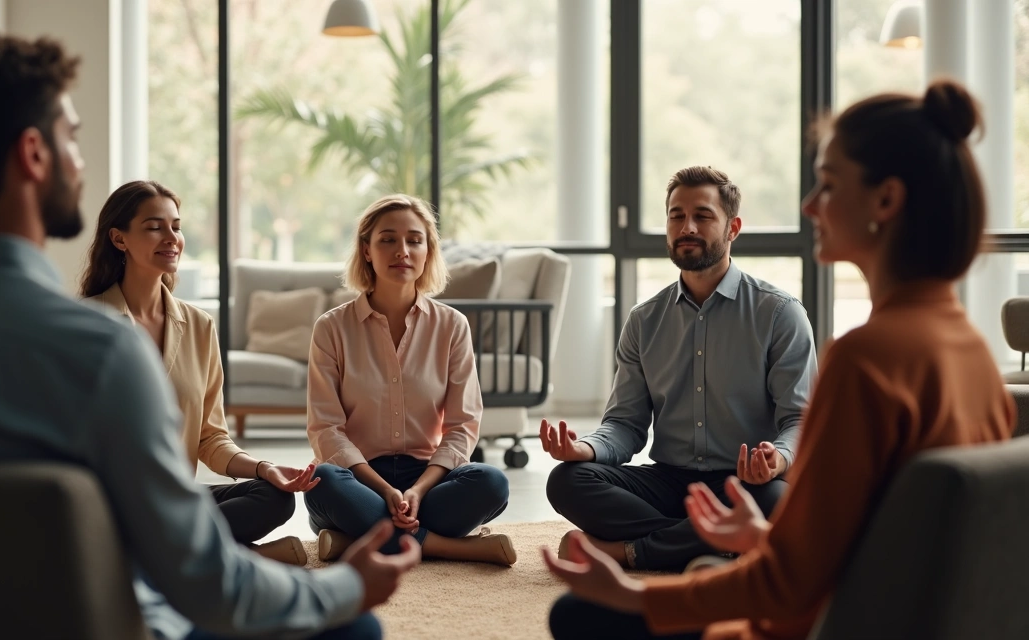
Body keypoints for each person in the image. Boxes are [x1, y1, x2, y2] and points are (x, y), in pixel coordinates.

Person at [0, 35, 418, 640]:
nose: (79, 161)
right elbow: (208, 586)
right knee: (354, 628)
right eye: (72, 138)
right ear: (34, 154)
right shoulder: (101, 348)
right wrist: (344, 586)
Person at [543, 79, 1016, 640]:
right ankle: (693, 539)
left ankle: (643, 548)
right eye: (676, 215)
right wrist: (762, 539)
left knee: (575, 615)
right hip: (888, 608)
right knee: (580, 487)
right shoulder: (973, 351)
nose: (809, 205)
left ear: (885, 201)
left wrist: (638, 594)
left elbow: (791, 582)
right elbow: (861, 542)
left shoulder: (865, 356)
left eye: (829, 183)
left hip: (814, 622)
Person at [543, 166, 818, 572]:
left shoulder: (779, 313)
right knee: (567, 481)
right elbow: (625, 425)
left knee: (776, 501)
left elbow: (799, 419)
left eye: (703, 216)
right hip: (669, 481)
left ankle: (631, 551)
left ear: (733, 227)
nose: (686, 226)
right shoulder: (644, 320)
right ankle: (719, 544)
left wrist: (776, 458)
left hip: (743, 485)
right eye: (676, 216)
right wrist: (584, 449)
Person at [82, 180, 312, 566]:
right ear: (119, 239)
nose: (171, 237)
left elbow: (209, 438)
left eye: (176, 226)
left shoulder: (200, 325)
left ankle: (172, 553)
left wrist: (263, 467)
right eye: (155, 227)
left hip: (176, 501)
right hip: (114, 501)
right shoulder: (86, 322)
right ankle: (238, 559)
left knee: (272, 497)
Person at [302, 194, 516, 566]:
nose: (402, 250)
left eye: (414, 240)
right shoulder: (332, 327)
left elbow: (463, 424)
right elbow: (326, 429)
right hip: (358, 481)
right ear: (367, 249)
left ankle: (354, 542)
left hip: (427, 477)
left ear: (427, 251)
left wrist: (417, 490)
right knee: (325, 482)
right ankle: (443, 547)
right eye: (388, 239)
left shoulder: (452, 325)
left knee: (491, 483)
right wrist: (384, 490)